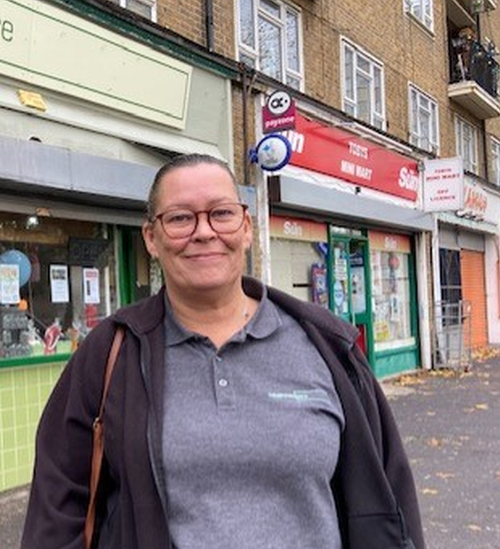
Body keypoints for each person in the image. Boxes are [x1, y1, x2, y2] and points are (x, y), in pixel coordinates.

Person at [21, 154, 424, 549]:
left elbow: (388, 499)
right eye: (180, 218)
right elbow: (58, 506)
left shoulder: (327, 346)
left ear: (246, 227)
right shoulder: (113, 351)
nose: (204, 232)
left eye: (222, 213)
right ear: (151, 239)